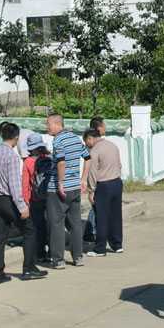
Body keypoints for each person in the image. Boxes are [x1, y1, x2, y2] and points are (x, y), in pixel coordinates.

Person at [0, 123, 48, 283]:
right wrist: (22, 206)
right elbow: (14, 185)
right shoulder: (11, 157)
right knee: (30, 231)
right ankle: (29, 268)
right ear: (16, 138)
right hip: (10, 200)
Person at [45, 113, 91, 269]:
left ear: (58, 124)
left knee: (56, 224)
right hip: (74, 187)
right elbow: (88, 158)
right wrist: (83, 179)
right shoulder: (75, 138)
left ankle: (58, 260)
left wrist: (59, 182)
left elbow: (61, 162)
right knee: (75, 223)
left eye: (49, 124)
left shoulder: (58, 140)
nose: (47, 127)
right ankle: (78, 257)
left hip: (58, 189)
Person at [83, 126, 124, 257]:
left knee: (101, 218)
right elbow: (119, 164)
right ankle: (117, 244)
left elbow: (92, 173)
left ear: (90, 138)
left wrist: (91, 191)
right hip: (116, 182)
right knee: (116, 216)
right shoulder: (112, 145)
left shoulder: (94, 151)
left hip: (103, 186)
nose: (87, 145)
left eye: (86, 142)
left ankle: (100, 248)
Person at [22, 133, 52, 262]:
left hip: (35, 198)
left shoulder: (28, 161)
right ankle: (53, 252)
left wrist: (25, 201)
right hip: (50, 196)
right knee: (51, 225)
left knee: (39, 227)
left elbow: (25, 184)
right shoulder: (50, 157)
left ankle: (40, 254)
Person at [83, 117, 107, 243]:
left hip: (99, 178)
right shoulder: (92, 146)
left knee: (97, 206)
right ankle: (90, 231)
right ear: (98, 128)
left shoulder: (97, 144)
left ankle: (92, 231)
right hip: (96, 179)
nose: (105, 128)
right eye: (103, 126)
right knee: (95, 205)